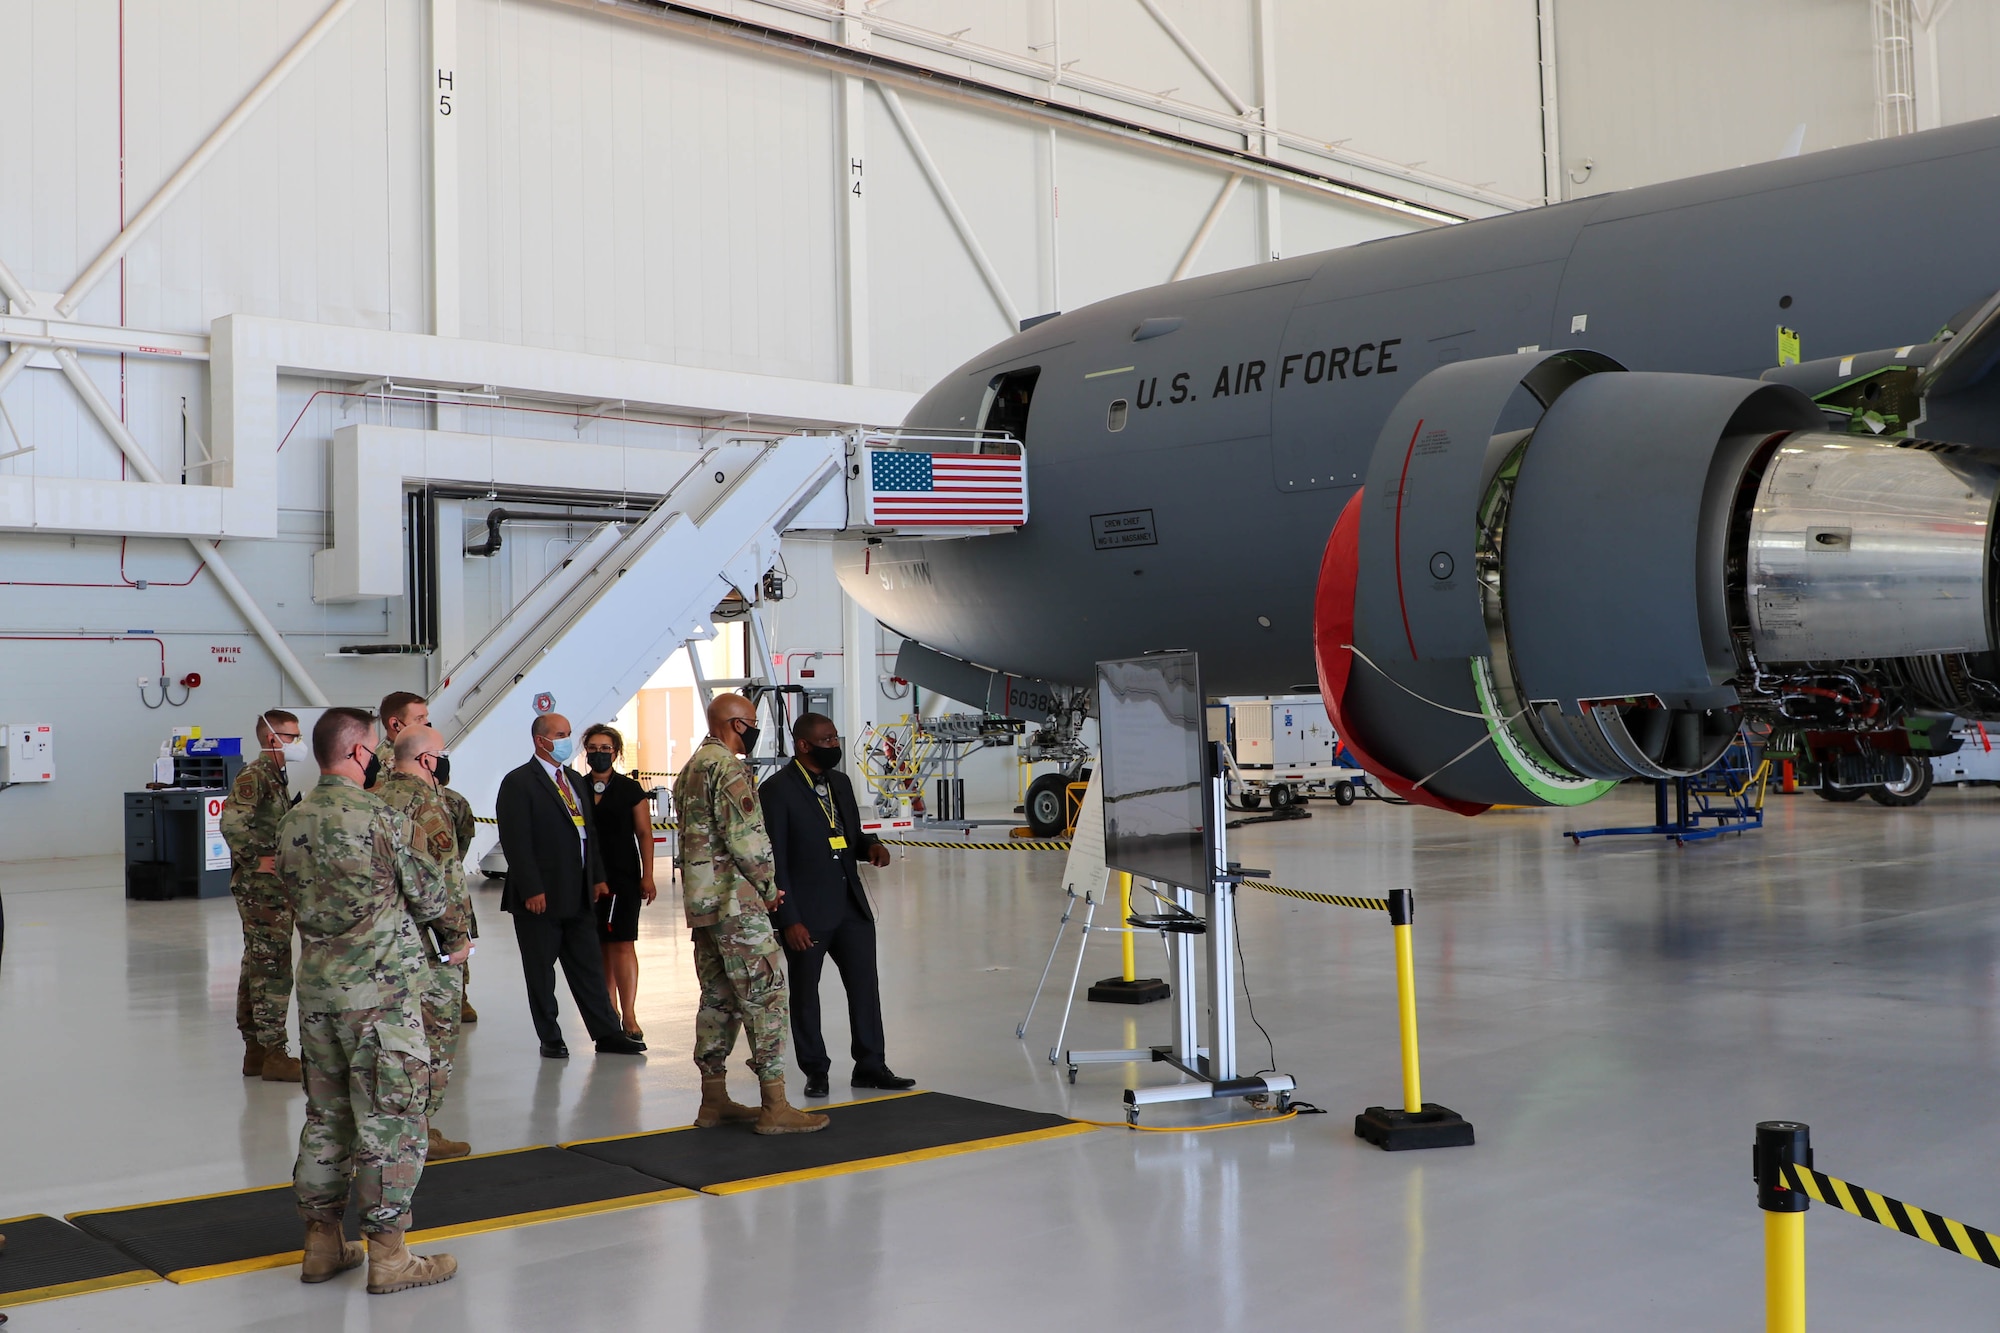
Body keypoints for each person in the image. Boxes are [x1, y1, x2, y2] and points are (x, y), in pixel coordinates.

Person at [279, 706, 466, 1295]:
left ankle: (321, 1243)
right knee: (390, 1120)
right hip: (380, 999)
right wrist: (456, 942)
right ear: (361, 753)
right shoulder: (380, 817)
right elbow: (431, 894)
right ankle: (389, 1256)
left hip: (317, 993)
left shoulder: (292, 820)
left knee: (326, 1116)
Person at [673, 694, 827, 1134]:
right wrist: (768, 886)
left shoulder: (691, 768)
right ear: (736, 725)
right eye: (753, 723)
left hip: (703, 906)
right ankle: (775, 1105)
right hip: (737, 905)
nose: (756, 731)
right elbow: (746, 837)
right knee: (766, 995)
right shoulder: (728, 768)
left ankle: (713, 1100)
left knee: (718, 999)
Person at [761, 713, 914, 1098]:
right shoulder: (777, 790)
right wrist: (787, 919)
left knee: (865, 987)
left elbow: (850, 835)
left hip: (850, 906)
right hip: (806, 913)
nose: (834, 746)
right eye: (826, 740)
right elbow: (774, 858)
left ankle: (871, 1065)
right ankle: (816, 1070)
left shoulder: (840, 783)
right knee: (805, 993)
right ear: (803, 745)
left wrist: (870, 848)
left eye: (835, 738)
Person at [494, 713, 646, 1059]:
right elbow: (516, 841)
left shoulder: (575, 781)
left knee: (589, 967)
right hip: (540, 897)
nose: (566, 741)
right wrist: (532, 888)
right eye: (560, 735)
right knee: (541, 972)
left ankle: (607, 1033)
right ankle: (550, 1036)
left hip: (578, 893)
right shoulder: (519, 783)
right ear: (540, 741)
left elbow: (587, 834)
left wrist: (596, 878)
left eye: (567, 734)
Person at [374, 725, 475, 1160]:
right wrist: (458, 938)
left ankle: (392, 1128)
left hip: (385, 943)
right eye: (442, 753)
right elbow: (443, 880)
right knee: (434, 1036)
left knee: (393, 1039)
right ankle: (423, 1132)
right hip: (429, 946)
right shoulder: (426, 804)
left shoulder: (376, 796)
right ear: (426, 759)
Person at [376, 692, 480, 1024]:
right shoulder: (418, 797)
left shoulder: (377, 798)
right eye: (421, 718)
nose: (427, 722)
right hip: (424, 919)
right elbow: (444, 871)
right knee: (433, 1021)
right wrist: (456, 937)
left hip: (389, 919)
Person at [219, 708, 306, 1083]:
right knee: (271, 966)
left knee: (257, 963)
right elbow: (231, 821)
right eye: (292, 736)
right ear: (273, 738)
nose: (297, 743)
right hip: (261, 891)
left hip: (270, 890)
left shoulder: (276, 777)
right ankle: (273, 1052)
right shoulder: (256, 775)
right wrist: (259, 858)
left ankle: (256, 1050)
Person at [581, 724, 656, 1038]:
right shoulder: (576, 787)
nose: (599, 754)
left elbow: (644, 833)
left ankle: (630, 1015)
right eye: (593, 748)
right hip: (587, 878)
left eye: (605, 748)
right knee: (599, 947)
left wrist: (648, 875)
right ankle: (609, 1014)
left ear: (616, 752)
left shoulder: (629, 790)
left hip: (624, 876)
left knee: (623, 944)